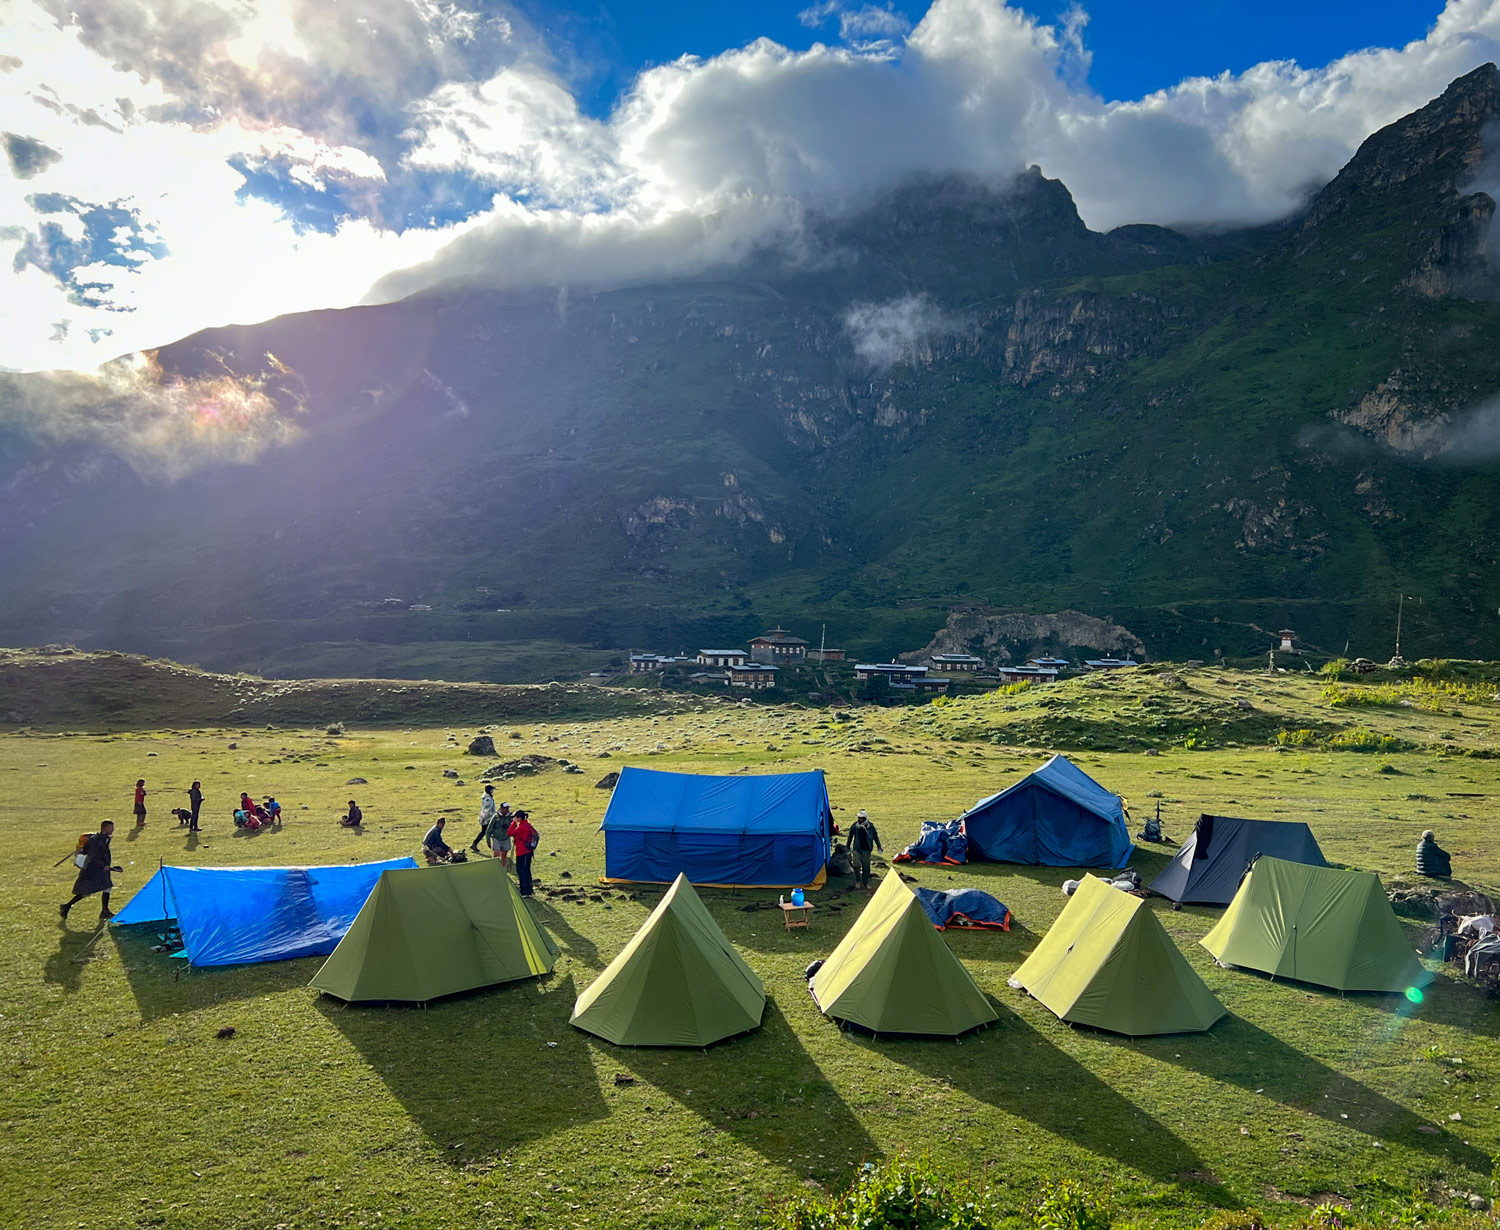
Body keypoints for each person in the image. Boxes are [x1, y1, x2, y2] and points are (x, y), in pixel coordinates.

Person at [60, 821, 122, 922]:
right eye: (111, 828)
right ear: (105, 828)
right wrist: (104, 866)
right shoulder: (96, 841)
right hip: (93, 870)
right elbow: (93, 857)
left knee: (107, 886)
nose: (113, 830)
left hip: (100, 869)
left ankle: (104, 911)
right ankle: (66, 907)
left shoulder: (102, 839)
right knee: (85, 893)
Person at [848, 809, 882, 890]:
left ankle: (865, 882)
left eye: (861, 818)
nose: (859, 819)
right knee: (856, 865)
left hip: (866, 850)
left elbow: (875, 836)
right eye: (858, 818)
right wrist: (847, 847)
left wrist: (879, 846)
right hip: (857, 849)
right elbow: (850, 837)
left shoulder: (871, 827)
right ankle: (858, 881)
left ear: (865, 819)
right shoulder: (855, 826)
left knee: (866, 867)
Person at [508, 809, 538, 896]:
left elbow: (509, 832)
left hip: (522, 852)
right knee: (527, 870)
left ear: (519, 818)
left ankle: (524, 891)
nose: (514, 819)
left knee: (521, 871)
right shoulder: (527, 825)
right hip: (528, 852)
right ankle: (529, 890)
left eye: (515, 817)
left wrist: (513, 823)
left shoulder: (521, 827)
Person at [486, 795, 513, 868]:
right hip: (496, 838)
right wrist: (488, 840)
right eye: (505, 808)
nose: (507, 810)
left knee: (504, 856)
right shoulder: (495, 817)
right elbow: (489, 829)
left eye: (508, 808)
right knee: (496, 855)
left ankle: (503, 869)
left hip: (506, 838)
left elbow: (514, 827)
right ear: (501, 808)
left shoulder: (510, 817)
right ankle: (494, 868)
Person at [471, 784, 497, 853]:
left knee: (484, 832)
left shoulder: (488, 797)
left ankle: (475, 844)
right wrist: (493, 816)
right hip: (487, 819)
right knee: (487, 831)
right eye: (492, 789)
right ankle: (496, 847)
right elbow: (487, 810)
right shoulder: (488, 799)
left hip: (487, 818)